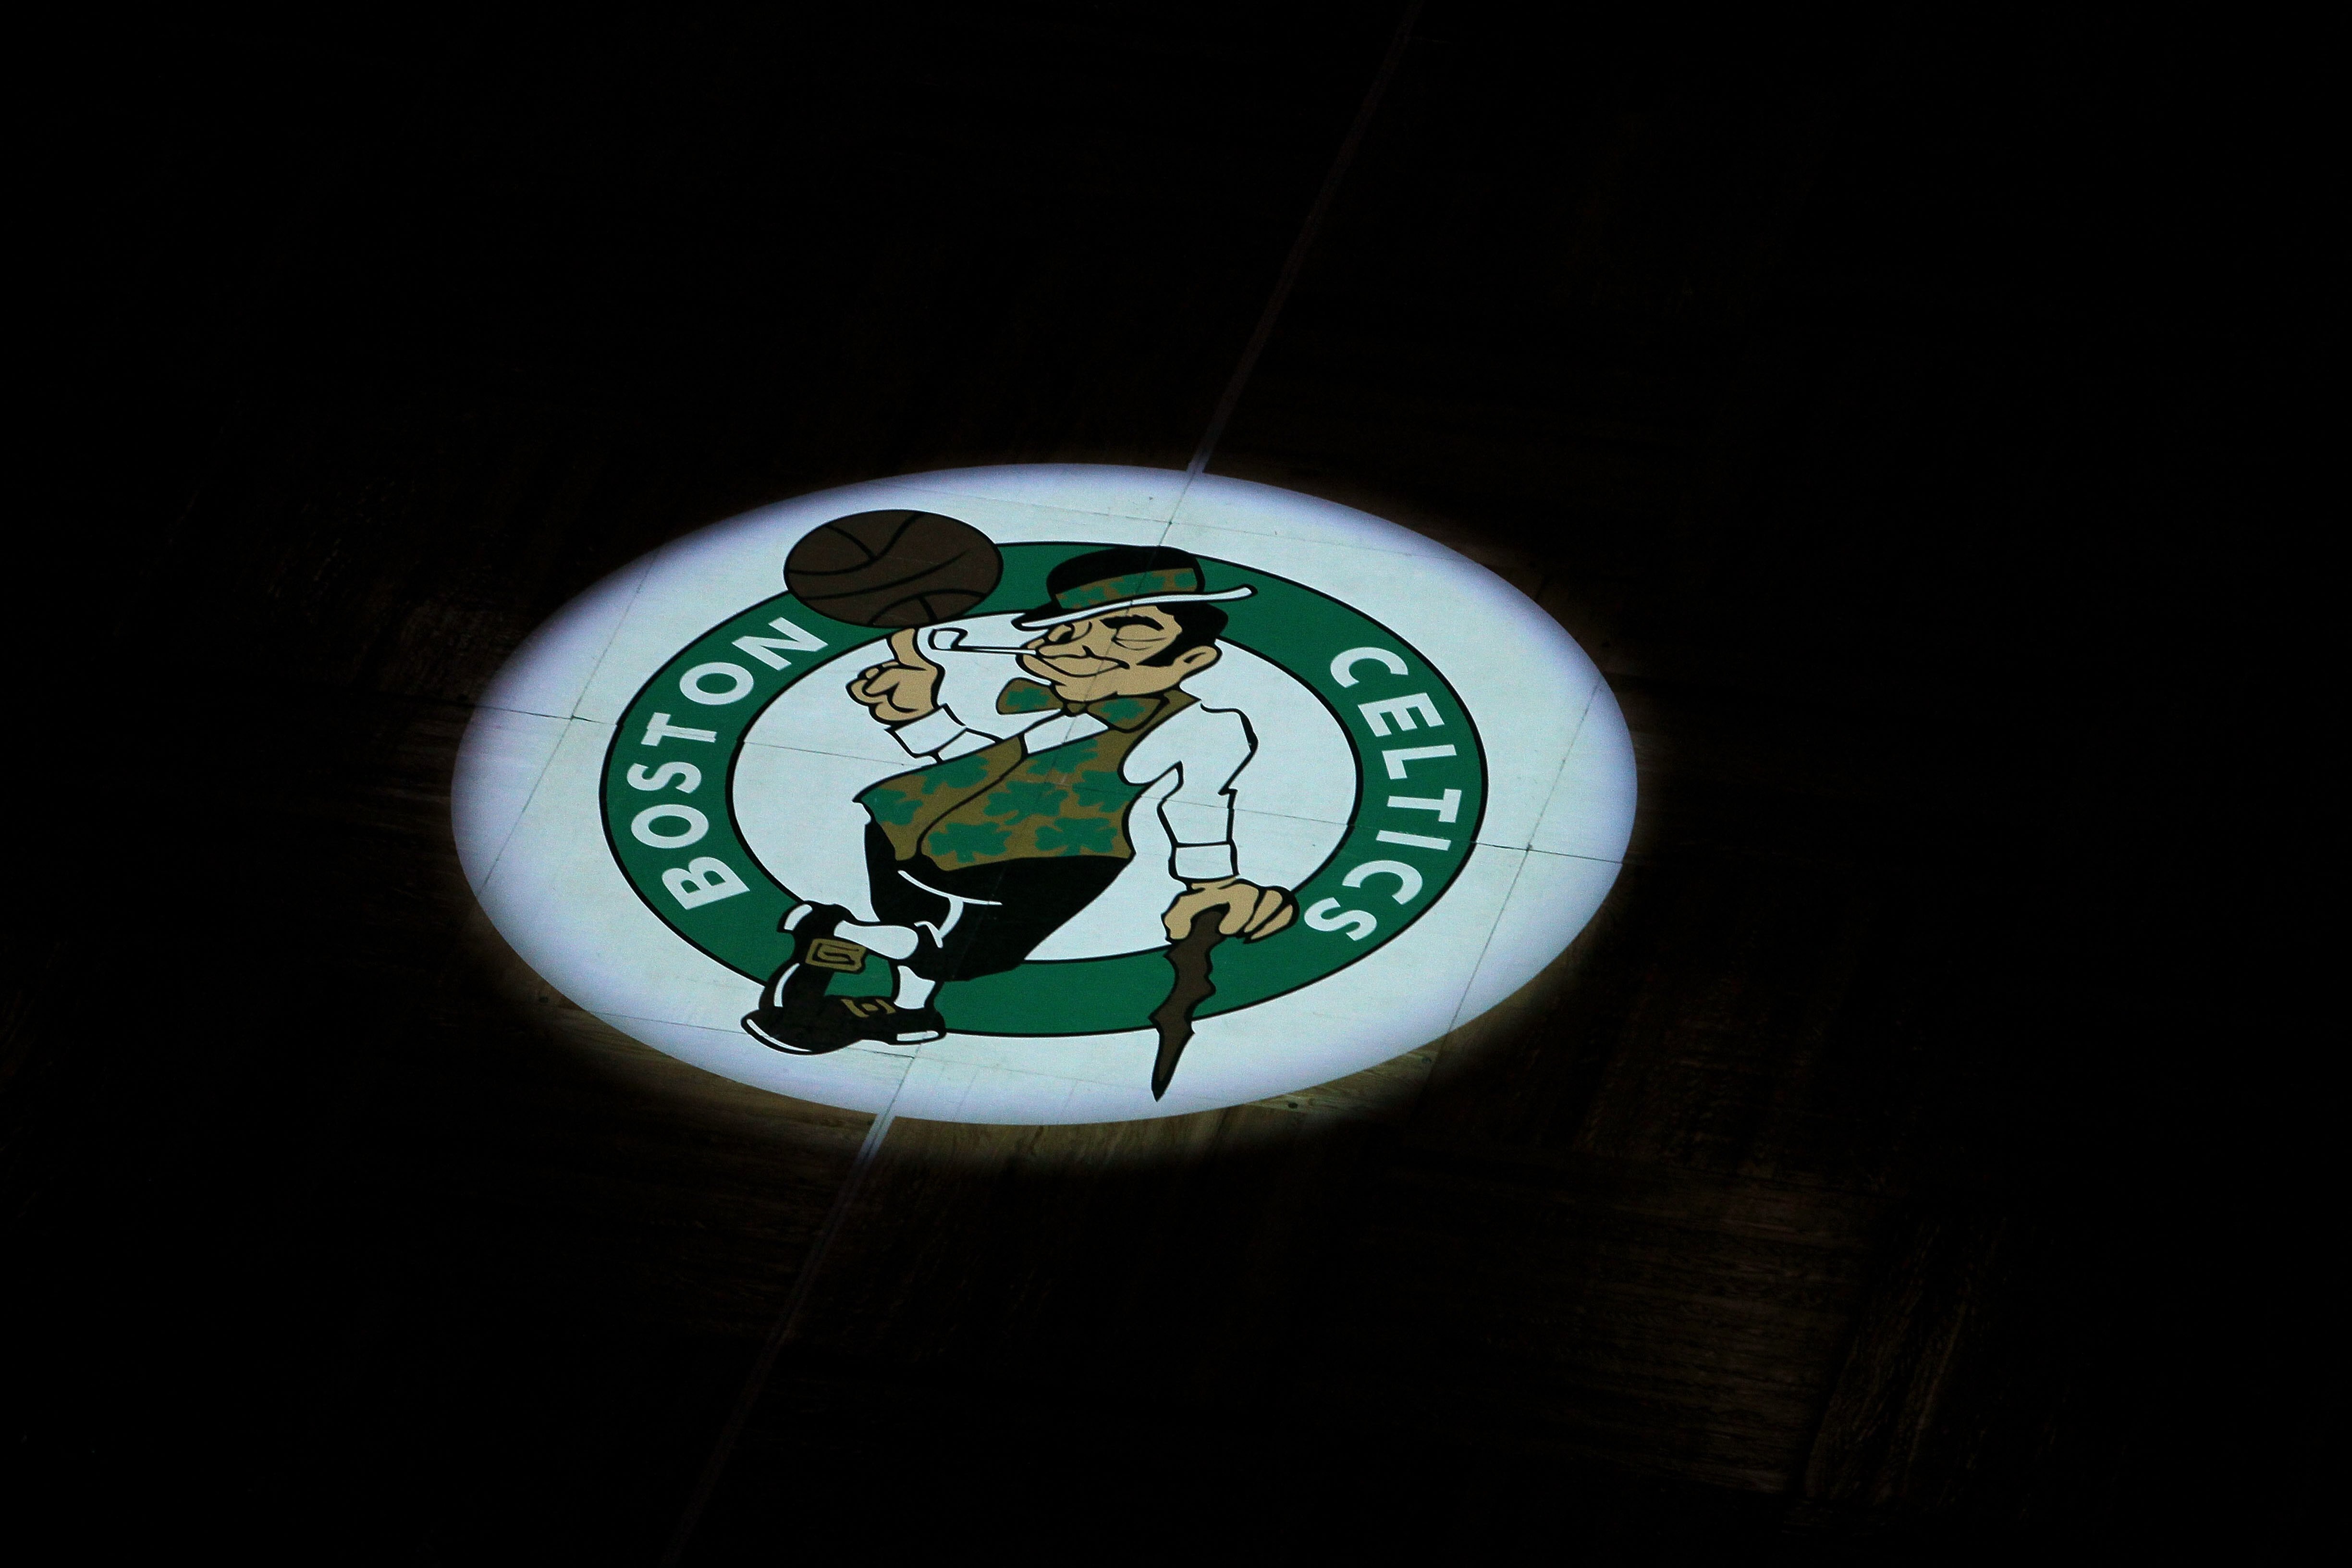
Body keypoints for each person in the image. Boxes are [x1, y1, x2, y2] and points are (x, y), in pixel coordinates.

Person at [742, 545, 1296, 1054]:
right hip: (912, 826)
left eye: (1129, 632)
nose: (1085, 649)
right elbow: (985, 762)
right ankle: (859, 955)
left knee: (959, 949)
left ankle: (875, 975)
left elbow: (1197, 807)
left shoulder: (1204, 727)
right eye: (1065, 633)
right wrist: (917, 716)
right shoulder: (1045, 708)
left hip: (1051, 855)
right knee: (940, 942)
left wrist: (1212, 882)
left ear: (1193, 659)